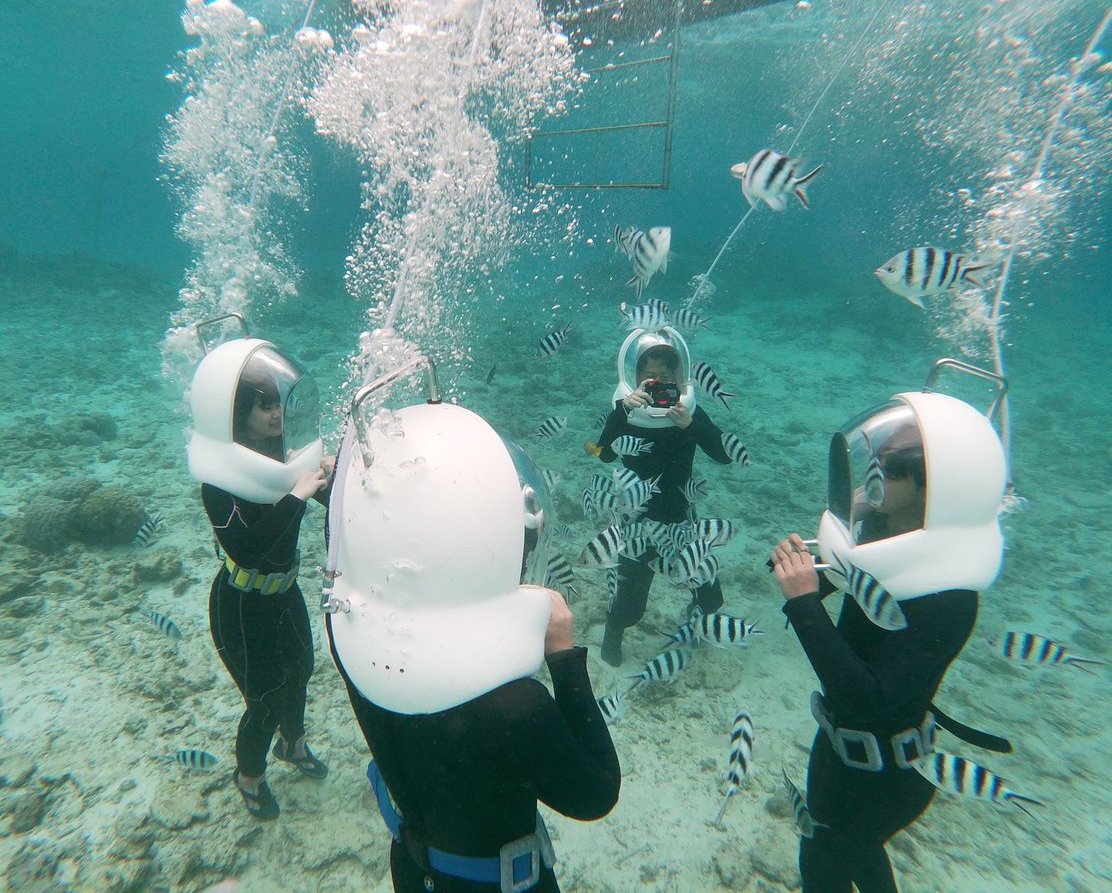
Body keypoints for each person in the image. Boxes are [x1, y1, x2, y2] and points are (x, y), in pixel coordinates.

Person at [327, 397, 620, 891]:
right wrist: (565, 658)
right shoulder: (515, 706)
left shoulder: (350, 636)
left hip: (414, 871)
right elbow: (595, 795)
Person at [769, 384, 1008, 892]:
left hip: (886, 778)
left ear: (932, 486)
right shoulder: (882, 531)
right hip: (838, 755)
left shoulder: (951, 598)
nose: (873, 462)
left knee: (822, 871)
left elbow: (869, 698)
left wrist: (804, 603)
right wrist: (804, 568)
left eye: (889, 458)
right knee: (859, 859)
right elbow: (830, 585)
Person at [187, 337, 335, 821]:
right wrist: (296, 495)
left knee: (302, 672)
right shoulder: (218, 483)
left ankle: (292, 747)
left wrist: (334, 479)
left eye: (278, 403)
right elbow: (248, 551)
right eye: (262, 406)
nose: (276, 415)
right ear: (238, 416)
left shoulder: (281, 456)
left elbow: (325, 503)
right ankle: (248, 776)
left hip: (284, 593)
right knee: (265, 700)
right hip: (242, 604)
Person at [587, 334, 735, 666]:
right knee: (630, 599)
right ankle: (614, 629)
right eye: (650, 378)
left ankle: (699, 624)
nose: (658, 385)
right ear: (635, 378)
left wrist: (692, 425)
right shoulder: (624, 412)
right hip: (636, 520)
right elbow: (606, 455)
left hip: (681, 516)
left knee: (708, 590)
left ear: (680, 379)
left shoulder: (689, 412)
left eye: (667, 378)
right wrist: (622, 412)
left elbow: (725, 455)